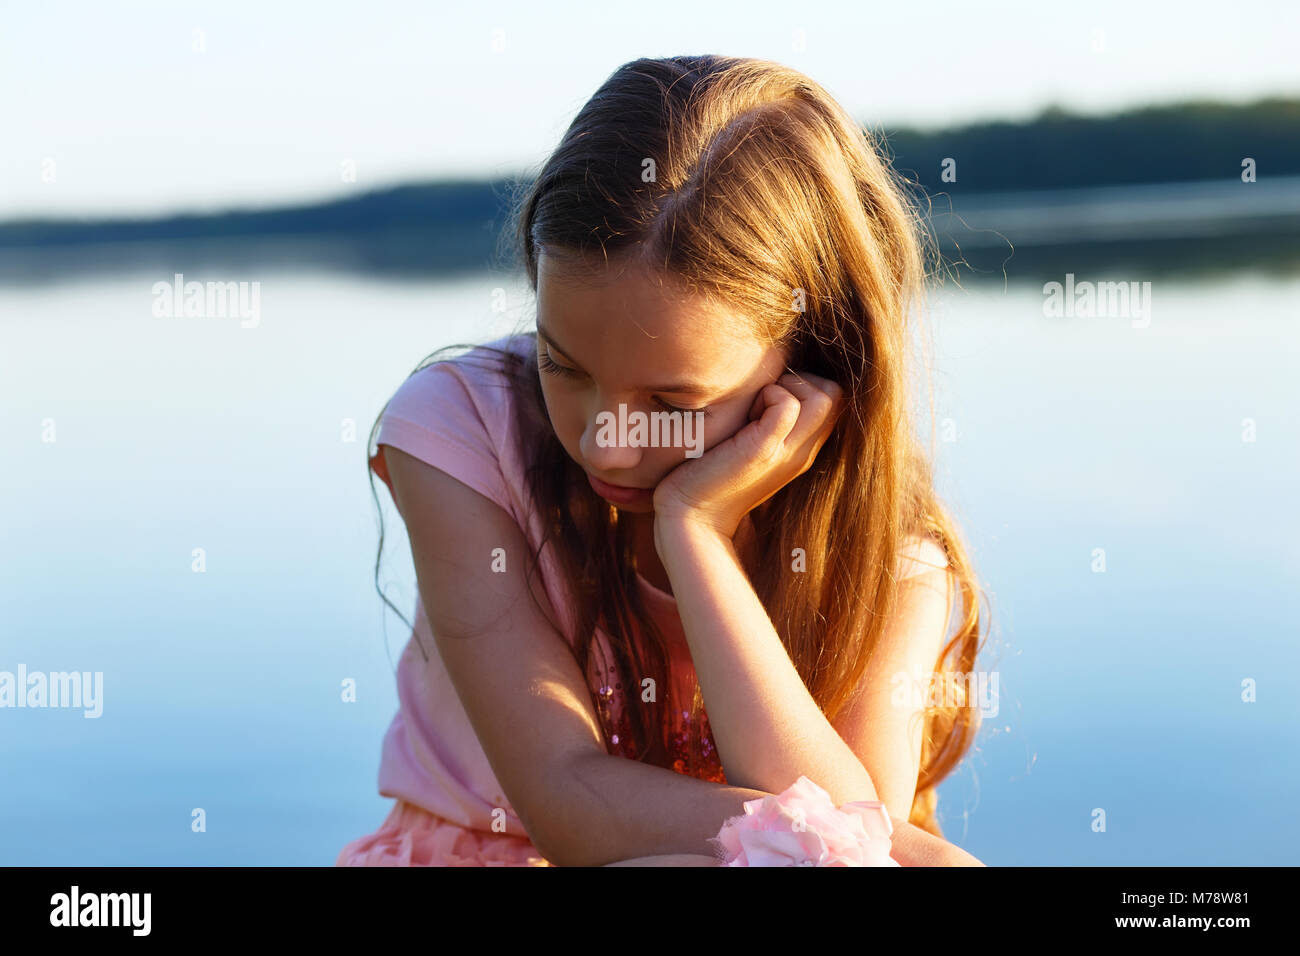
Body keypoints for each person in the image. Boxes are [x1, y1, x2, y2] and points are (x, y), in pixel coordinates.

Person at [337, 54, 989, 867]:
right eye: (563, 365)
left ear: (809, 359)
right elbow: (565, 803)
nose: (607, 441)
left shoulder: (889, 555)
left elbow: (852, 846)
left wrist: (695, 536)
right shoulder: (460, 432)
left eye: (673, 406)